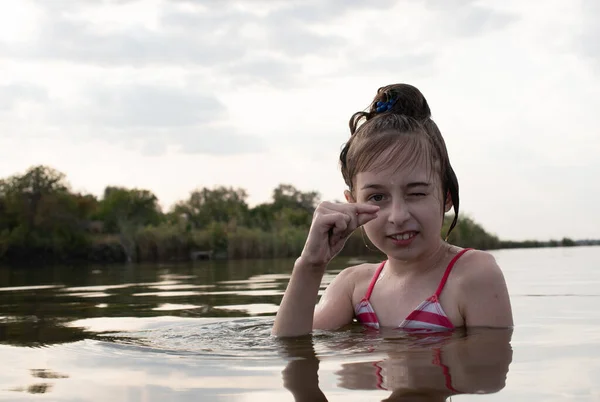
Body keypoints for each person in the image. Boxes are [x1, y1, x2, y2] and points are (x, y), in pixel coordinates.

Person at [272, 83, 513, 338]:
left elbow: (486, 375)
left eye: (417, 193)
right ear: (352, 203)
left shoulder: (473, 275)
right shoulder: (354, 286)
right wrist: (310, 265)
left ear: (446, 198)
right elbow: (291, 347)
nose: (398, 216)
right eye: (377, 197)